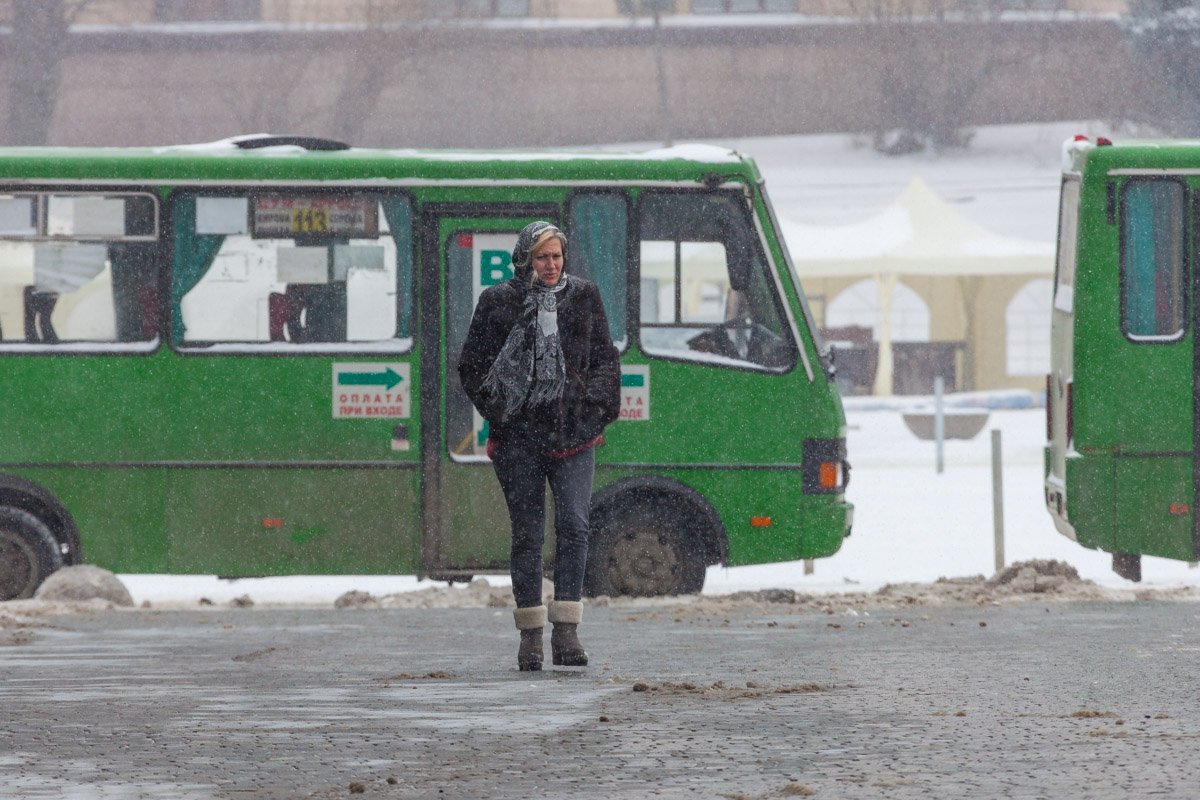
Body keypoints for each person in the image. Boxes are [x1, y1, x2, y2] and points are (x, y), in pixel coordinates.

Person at [458, 221, 621, 671]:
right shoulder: (498, 301)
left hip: (574, 435)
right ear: (524, 260)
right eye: (542, 257)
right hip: (519, 441)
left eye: (557, 256)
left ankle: (566, 631)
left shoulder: (584, 296)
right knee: (527, 535)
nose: (551, 265)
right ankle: (530, 636)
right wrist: (502, 410)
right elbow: (471, 366)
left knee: (574, 525)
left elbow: (606, 359)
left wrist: (595, 411)